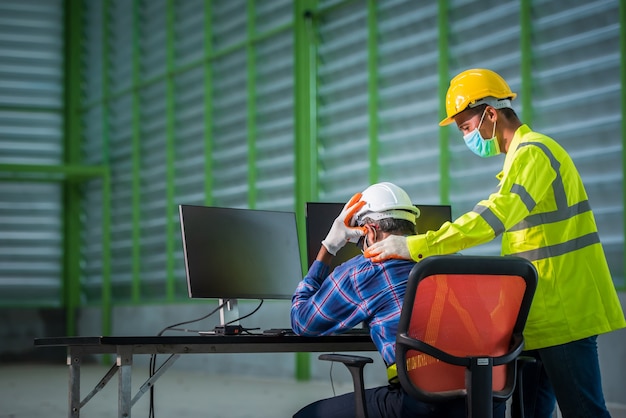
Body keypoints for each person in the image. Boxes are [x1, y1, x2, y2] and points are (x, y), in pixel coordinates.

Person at [364, 68, 626, 418]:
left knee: (585, 412)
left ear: (490, 114)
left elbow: (493, 217)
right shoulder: (519, 162)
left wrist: (414, 246)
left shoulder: (534, 153)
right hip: (538, 320)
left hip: (564, 315)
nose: (467, 138)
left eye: (467, 128)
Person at [290, 181, 507, 418]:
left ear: (370, 232)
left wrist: (329, 247)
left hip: (427, 405)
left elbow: (303, 322)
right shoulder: (454, 260)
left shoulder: (365, 270)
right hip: (488, 400)